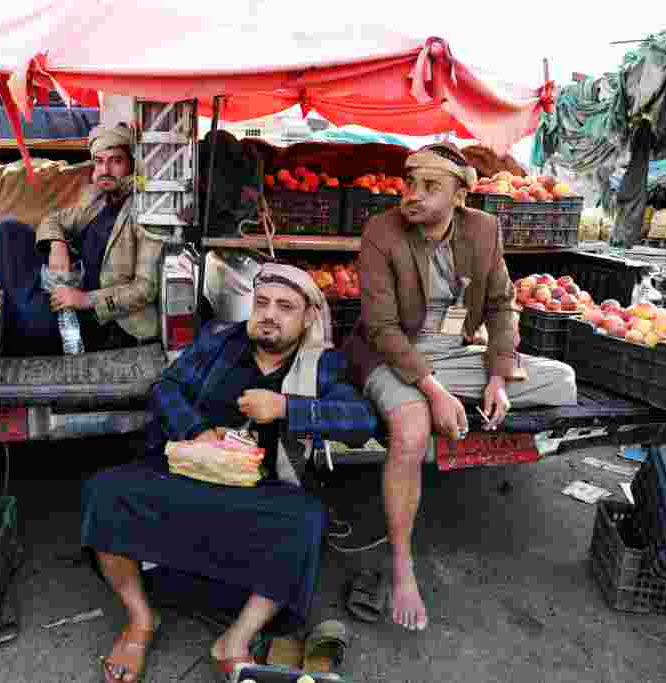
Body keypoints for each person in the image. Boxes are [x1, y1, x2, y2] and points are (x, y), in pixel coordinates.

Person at [80, 264, 378, 682]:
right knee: (105, 492)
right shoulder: (221, 341)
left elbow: (362, 422)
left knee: (306, 520)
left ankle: (235, 641)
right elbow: (167, 388)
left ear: (309, 316)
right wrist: (199, 434)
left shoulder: (322, 364)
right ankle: (140, 620)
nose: (269, 314)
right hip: (188, 472)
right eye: (262, 303)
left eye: (285, 307)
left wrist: (287, 408)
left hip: (261, 489)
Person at [343, 143, 578, 632]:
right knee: (409, 431)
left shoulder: (483, 228)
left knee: (563, 381)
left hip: (457, 353)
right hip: (394, 353)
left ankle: (466, 399)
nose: (414, 195)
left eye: (430, 187)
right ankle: (402, 567)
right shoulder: (381, 232)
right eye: (410, 184)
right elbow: (382, 329)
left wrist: (497, 376)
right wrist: (434, 391)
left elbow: (501, 304)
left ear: (459, 193)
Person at [0, 123, 162, 355]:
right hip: (70, 279)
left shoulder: (147, 212)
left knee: (25, 317)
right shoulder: (97, 197)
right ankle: (20, 308)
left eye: (116, 161)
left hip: (99, 316)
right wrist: (58, 244)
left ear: (132, 165)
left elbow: (145, 288)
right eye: (99, 161)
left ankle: (23, 314)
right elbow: (54, 220)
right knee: (9, 232)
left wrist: (84, 299)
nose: (105, 169)